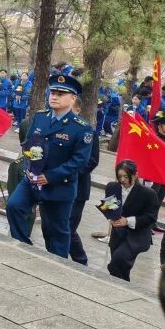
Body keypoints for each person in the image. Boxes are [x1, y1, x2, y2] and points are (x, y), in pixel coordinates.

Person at [5, 73, 92, 259]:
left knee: (56, 232)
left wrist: (50, 176)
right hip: (32, 180)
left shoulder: (81, 127)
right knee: (13, 206)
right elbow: (28, 144)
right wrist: (29, 167)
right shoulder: (40, 117)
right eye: (53, 92)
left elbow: (79, 161)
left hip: (59, 186)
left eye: (61, 94)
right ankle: (24, 248)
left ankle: (57, 266)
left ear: (73, 98)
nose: (54, 97)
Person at [104, 160, 160, 281]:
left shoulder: (148, 194)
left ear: (135, 175)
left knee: (117, 261)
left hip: (137, 236)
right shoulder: (112, 187)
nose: (122, 180)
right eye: (119, 176)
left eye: (126, 176)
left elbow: (151, 217)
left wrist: (128, 221)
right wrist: (111, 218)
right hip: (117, 233)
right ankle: (123, 286)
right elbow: (109, 207)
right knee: (121, 267)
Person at [66, 98, 99, 266]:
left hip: (78, 187)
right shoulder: (60, 128)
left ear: (78, 110)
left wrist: (70, 170)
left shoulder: (89, 132)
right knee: (59, 225)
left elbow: (92, 161)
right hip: (60, 186)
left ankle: (80, 261)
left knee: (69, 227)